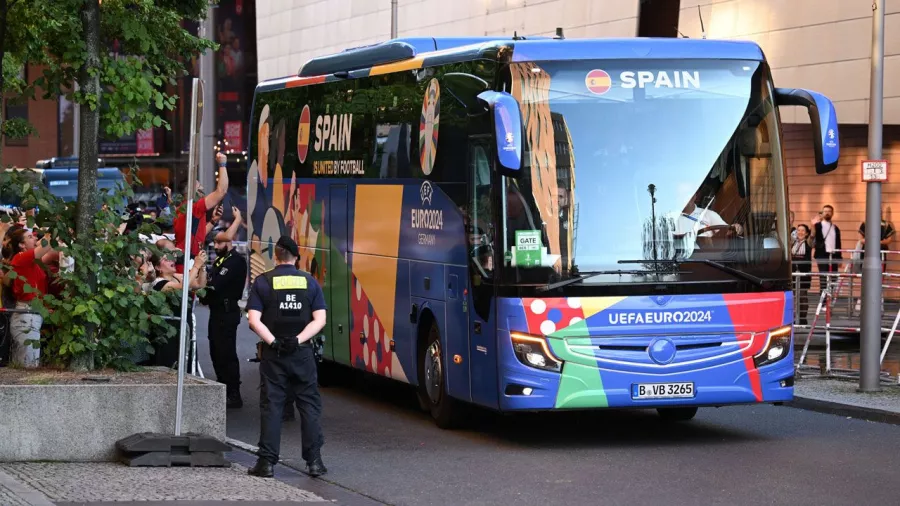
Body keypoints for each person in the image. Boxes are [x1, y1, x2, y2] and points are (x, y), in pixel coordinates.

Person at [246, 236, 327, 478]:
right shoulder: (310, 282)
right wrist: (298, 340)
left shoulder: (263, 282)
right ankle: (314, 462)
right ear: (296, 257)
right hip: (302, 354)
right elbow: (320, 320)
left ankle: (267, 463)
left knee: (272, 406)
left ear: (277, 256)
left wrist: (274, 341)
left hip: (274, 354)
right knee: (309, 406)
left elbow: (253, 320)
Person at [200, 207, 247, 409]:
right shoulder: (219, 260)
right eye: (215, 242)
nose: (215, 245)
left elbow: (214, 284)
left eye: (219, 241)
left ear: (229, 241)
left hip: (227, 313)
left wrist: (208, 284)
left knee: (226, 354)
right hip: (216, 312)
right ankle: (223, 388)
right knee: (215, 353)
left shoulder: (235, 261)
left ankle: (233, 393)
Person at [4, 227, 54, 367]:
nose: (35, 238)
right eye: (30, 237)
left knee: (28, 363)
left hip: (32, 313)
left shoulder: (31, 262)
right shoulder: (21, 257)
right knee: (28, 365)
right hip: (26, 315)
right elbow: (45, 248)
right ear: (21, 244)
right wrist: (54, 232)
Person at [149, 250, 207, 368]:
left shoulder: (178, 276)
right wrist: (196, 265)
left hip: (184, 324)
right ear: (158, 267)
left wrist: (202, 267)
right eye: (166, 259)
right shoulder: (159, 283)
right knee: (172, 362)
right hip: (169, 329)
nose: (171, 261)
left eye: (171, 258)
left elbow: (200, 284)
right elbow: (182, 287)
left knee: (187, 358)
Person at [173, 152, 229, 274]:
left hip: (187, 261)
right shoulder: (193, 207)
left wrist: (213, 221)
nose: (203, 189)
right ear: (191, 192)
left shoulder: (181, 209)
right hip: (187, 264)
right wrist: (222, 164)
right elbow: (221, 191)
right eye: (200, 188)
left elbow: (197, 234)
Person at [812, 205, 842, 291]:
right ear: (822, 213)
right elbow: (812, 235)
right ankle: (823, 300)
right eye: (825, 211)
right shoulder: (817, 226)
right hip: (822, 255)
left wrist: (839, 257)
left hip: (834, 255)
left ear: (832, 213)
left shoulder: (835, 228)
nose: (827, 213)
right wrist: (812, 225)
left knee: (834, 277)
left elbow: (838, 243)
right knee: (824, 278)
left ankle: (830, 297)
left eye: (829, 211)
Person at [791, 224, 813, 326]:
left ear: (807, 233)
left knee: (802, 296)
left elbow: (813, 237)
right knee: (794, 296)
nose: (800, 232)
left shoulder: (808, 242)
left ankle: (803, 318)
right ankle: (794, 317)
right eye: (798, 230)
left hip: (804, 274)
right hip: (793, 274)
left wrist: (813, 225)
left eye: (802, 230)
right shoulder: (792, 243)